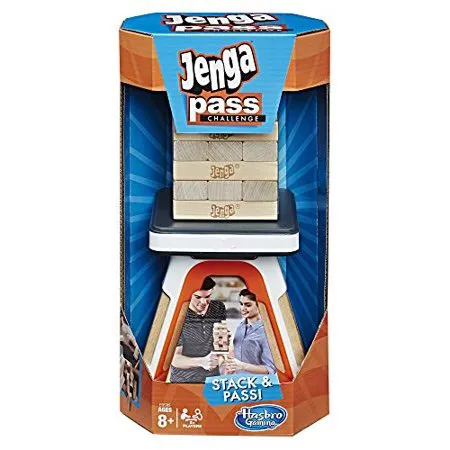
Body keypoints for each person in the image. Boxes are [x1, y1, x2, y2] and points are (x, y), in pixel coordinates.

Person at [170, 276, 226, 383]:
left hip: (213, 379)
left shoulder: (218, 307)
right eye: (198, 297)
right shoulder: (179, 315)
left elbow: (221, 342)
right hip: (184, 381)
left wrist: (222, 357)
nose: (204, 302)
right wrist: (202, 362)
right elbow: (174, 359)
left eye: (208, 296)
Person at [225, 289, 276, 375]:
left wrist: (242, 366)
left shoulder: (266, 332)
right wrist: (227, 343)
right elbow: (237, 355)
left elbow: (270, 369)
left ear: (259, 305)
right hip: (237, 380)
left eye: (248, 305)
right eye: (241, 304)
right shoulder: (240, 326)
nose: (242, 308)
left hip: (257, 382)